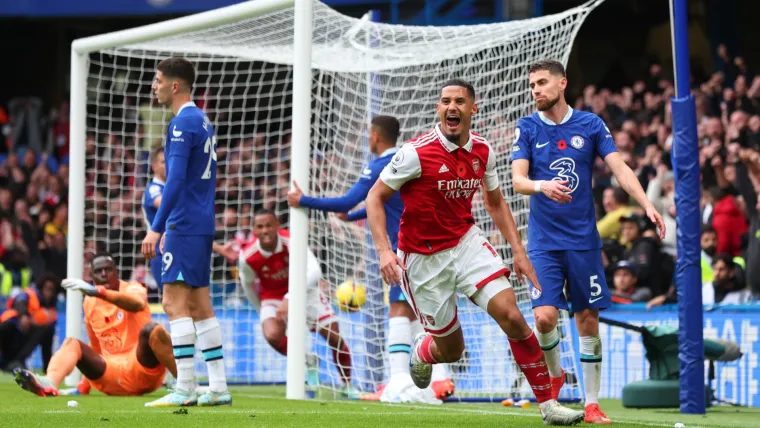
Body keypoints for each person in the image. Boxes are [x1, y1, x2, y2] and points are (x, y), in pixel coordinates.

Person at [365, 78, 584, 425]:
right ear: (438, 108)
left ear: (472, 108)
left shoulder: (484, 150)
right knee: (452, 350)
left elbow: (495, 202)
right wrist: (383, 251)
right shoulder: (415, 153)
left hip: (466, 243)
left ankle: (548, 405)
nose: (451, 107)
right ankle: (423, 351)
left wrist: (519, 251)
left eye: (459, 101)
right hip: (422, 259)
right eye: (445, 101)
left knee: (512, 316)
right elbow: (374, 197)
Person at [511, 59, 665, 424]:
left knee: (587, 321)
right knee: (545, 318)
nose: (536, 90)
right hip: (544, 243)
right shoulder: (528, 127)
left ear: (562, 84)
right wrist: (541, 185)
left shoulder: (591, 125)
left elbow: (621, 168)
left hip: (583, 241)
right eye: (532, 84)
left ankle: (592, 403)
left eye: (542, 82)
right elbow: (517, 180)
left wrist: (647, 205)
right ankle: (554, 375)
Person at [286, 115, 454, 402]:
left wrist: (304, 200)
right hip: (428, 245)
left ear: (375, 136)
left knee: (399, 311)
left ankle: (400, 382)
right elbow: (387, 202)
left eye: (368, 135)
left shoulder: (380, 166)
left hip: (405, 248)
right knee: (420, 315)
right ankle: (440, 380)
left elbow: (346, 200)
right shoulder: (406, 162)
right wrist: (351, 217)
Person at [140, 57, 230, 407]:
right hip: (202, 222)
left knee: (173, 302)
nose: (154, 85)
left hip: (182, 224)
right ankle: (218, 386)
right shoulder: (202, 120)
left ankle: (186, 387)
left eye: (158, 79)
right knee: (199, 304)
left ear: (175, 86)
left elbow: (175, 180)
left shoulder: (181, 124)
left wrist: (155, 228)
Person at [13, 253, 177, 397]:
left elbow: (137, 304)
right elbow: (96, 346)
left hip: (143, 370)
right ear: (92, 276)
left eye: (108, 269)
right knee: (73, 343)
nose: (104, 274)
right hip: (111, 375)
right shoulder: (90, 302)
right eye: (98, 271)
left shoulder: (133, 288)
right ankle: (49, 382)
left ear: (117, 272)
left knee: (153, 330)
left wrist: (99, 292)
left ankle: (185, 384)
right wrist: (83, 386)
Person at [238, 210, 359, 398]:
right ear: (254, 231)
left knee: (334, 336)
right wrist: (261, 309)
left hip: (305, 290)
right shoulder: (247, 257)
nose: (265, 230)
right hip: (272, 296)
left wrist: (290, 297)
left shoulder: (292, 241)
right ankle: (307, 359)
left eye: (269, 225)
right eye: (260, 227)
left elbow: (315, 272)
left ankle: (347, 384)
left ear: (277, 226)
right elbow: (247, 285)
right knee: (272, 335)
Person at [0, 276, 58, 372]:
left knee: (47, 331)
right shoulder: (30, 295)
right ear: (41, 287)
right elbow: (20, 301)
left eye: (52, 290)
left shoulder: (51, 312)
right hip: (11, 331)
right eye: (46, 288)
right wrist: (23, 315)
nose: (49, 292)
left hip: (24, 341)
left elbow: (48, 344)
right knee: (5, 327)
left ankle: (20, 362)